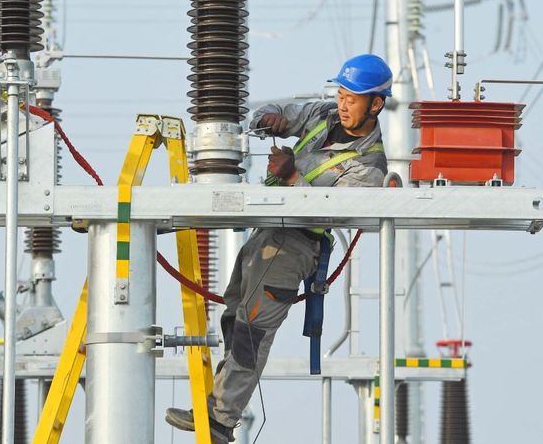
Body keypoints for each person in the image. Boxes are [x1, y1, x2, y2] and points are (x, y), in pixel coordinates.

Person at [165, 53, 393, 443]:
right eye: (340, 95)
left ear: (375, 104)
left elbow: (332, 213)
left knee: (252, 330)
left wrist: (291, 178)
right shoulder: (324, 115)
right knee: (234, 315)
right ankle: (217, 404)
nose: (342, 104)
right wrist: (270, 119)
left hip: (296, 247)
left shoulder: (369, 168)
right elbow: (284, 113)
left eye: (352, 99)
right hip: (266, 233)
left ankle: (220, 419)